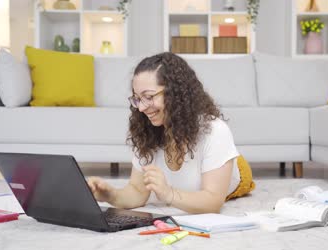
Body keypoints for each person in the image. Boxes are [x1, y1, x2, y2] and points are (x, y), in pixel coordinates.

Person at [87, 52, 255, 214]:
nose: (141, 107)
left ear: (175, 94)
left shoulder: (215, 130)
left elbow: (213, 201)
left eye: (149, 96)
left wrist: (169, 194)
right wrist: (110, 195)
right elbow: (137, 191)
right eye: (137, 98)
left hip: (239, 172)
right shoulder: (146, 131)